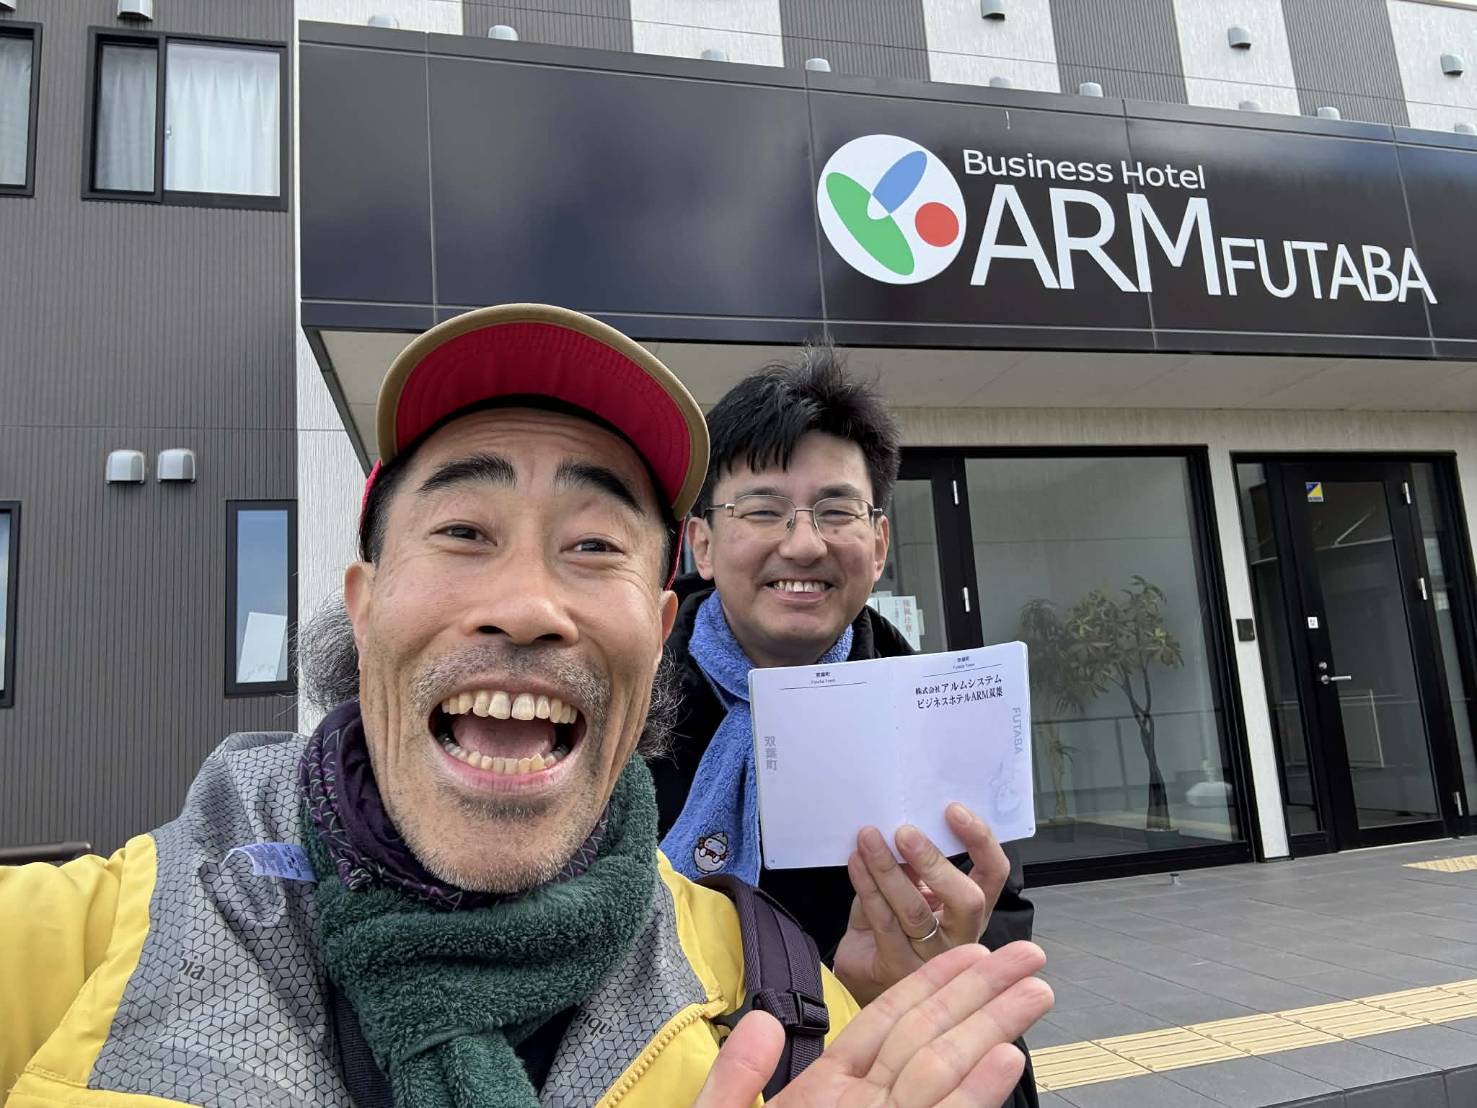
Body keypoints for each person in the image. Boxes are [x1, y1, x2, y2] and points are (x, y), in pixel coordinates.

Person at [0, 305, 1052, 1108]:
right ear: (363, 604)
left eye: (592, 544)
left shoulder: (769, 983)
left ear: (653, 621)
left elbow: (963, 1032)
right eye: (464, 531)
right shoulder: (86, 941)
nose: (528, 605)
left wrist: (891, 996)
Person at [652, 347, 1040, 1106]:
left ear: (879, 543)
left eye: (835, 511)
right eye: (762, 510)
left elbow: (996, 928)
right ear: (701, 542)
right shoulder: (615, 714)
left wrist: (931, 968)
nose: (803, 544)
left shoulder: (942, 723)